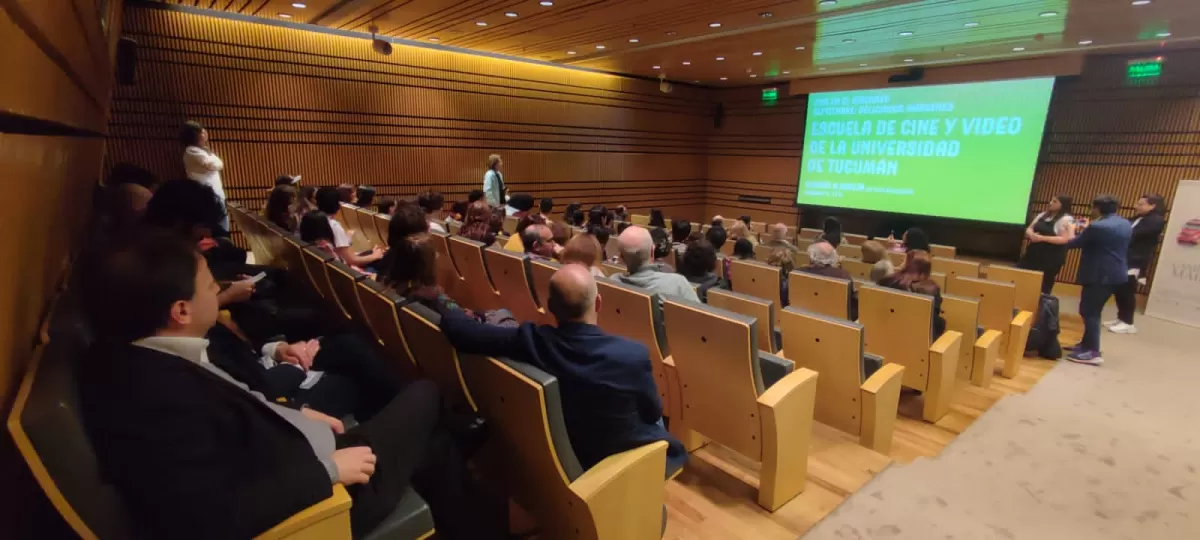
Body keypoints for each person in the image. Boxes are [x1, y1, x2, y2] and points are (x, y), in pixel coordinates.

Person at [77, 230, 507, 539]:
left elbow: (232, 414)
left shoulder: (145, 357)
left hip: (301, 452)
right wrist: (327, 472)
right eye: (212, 286)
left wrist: (297, 412)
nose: (221, 291)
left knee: (437, 448)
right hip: (324, 503)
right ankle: (461, 435)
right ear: (181, 310)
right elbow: (203, 517)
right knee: (426, 393)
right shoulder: (151, 396)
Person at [421, 263, 687, 477]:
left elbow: (461, 332)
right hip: (613, 461)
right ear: (598, 304)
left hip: (556, 453)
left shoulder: (530, 341)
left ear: (550, 308)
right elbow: (651, 411)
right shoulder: (632, 355)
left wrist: (444, 301)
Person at [1051, 194, 1132, 366]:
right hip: (1116, 272)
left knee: (1089, 312)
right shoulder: (1124, 223)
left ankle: (1093, 352)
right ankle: (1086, 345)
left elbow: (1071, 243)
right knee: (1092, 310)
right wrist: (1088, 228)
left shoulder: (1098, 227)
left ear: (1097, 208)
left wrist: (1072, 229)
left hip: (1099, 274)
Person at [387, 233, 517, 327]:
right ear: (427, 265)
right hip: (465, 340)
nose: (438, 257)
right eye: (435, 254)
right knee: (505, 316)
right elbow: (464, 322)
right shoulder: (436, 298)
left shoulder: (394, 287)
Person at [1107, 193, 1166, 335]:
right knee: (1120, 290)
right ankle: (1121, 318)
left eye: (1141, 204)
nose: (1136, 206)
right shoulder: (1137, 218)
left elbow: (1132, 234)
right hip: (1124, 257)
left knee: (1127, 291)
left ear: (1152, 206)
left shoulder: (1156, 220)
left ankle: (1128, 323)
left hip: (1135, 259)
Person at [615, 226, 700, 305]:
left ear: (621, 258)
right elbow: (700, 319)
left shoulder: (613, 282)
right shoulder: (678, 283)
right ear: (652, 251)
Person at [878, 250, 945, 338]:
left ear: (907, 265)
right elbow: (933, 317)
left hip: (885, 327)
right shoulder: (932, 289)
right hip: (918, 336)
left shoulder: (887, 280)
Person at [315, 187, 384, 269]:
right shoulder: (334, 226)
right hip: (343, 270)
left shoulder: (315, 220)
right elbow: (352, 260)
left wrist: (346, 238)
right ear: (337, 205)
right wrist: (375, 256)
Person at [1019, 195, 1077, 294]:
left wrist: (1042, 238)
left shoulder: (1067, 219)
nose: (1050, 203)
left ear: (1063, 205)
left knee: (1042, 287)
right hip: (1032, 254)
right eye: (1051, 200)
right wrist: (1031, 235)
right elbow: (1029, 228)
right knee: (1021, 278)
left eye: (1055, 201)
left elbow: (1064, 239)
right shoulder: (1042, 215)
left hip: (1051, 258)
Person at [180, 121, 229, 233]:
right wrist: (214, 158)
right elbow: (216, 164)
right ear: (194, 135)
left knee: (221, 223)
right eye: (202, 132)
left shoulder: (203, 150)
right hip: (206, 194)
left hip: (213, 193)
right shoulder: (192, 150)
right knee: (216, 225)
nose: (205, 134)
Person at [300, 212, 376, 279]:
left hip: (336, 278)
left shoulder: (305, 244)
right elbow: (342, 267)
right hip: (350, 278)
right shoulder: (325, 247)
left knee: (371, 253)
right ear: (325, 226)